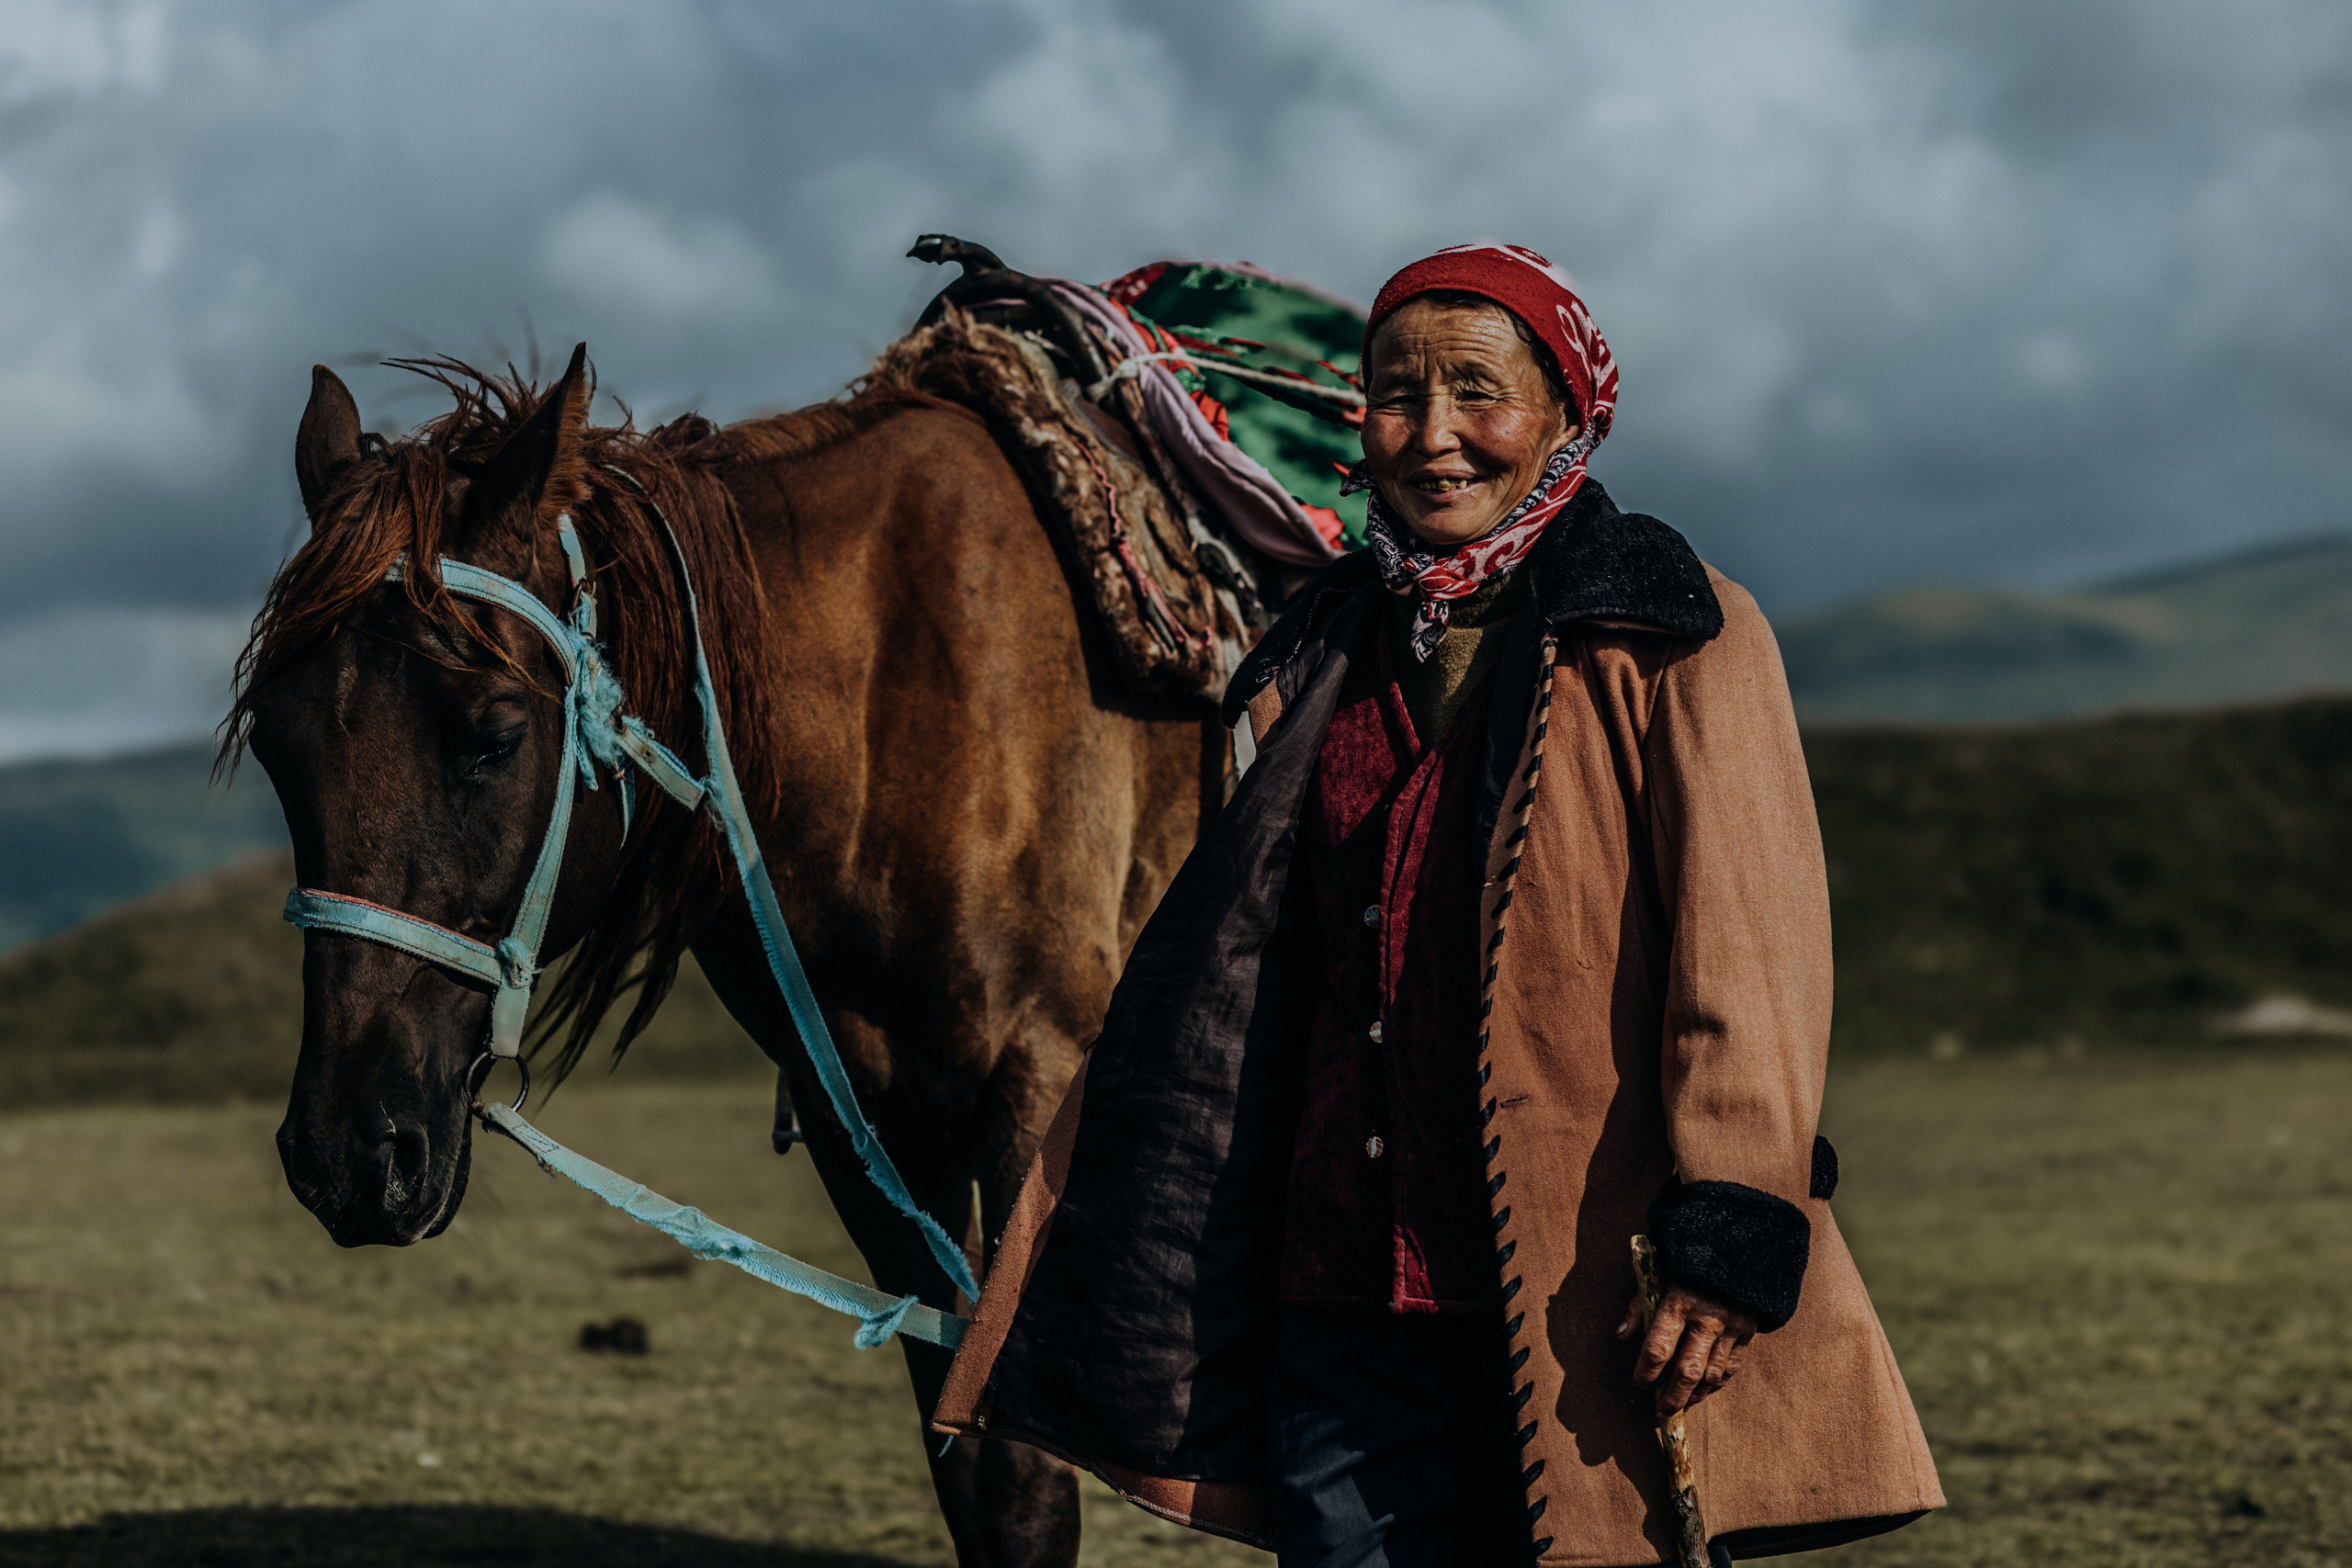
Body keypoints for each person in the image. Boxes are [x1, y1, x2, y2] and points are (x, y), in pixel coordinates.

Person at [935, 244, 1943, 1566]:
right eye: (1397, 396)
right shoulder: (1324, 644)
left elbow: (1748, 960)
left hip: (1575, 1287)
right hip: (1340, 1281)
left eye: (1480, 391)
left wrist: (1735, 1223)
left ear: (1570, 416)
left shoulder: (1672, 634)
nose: (1434, 435)